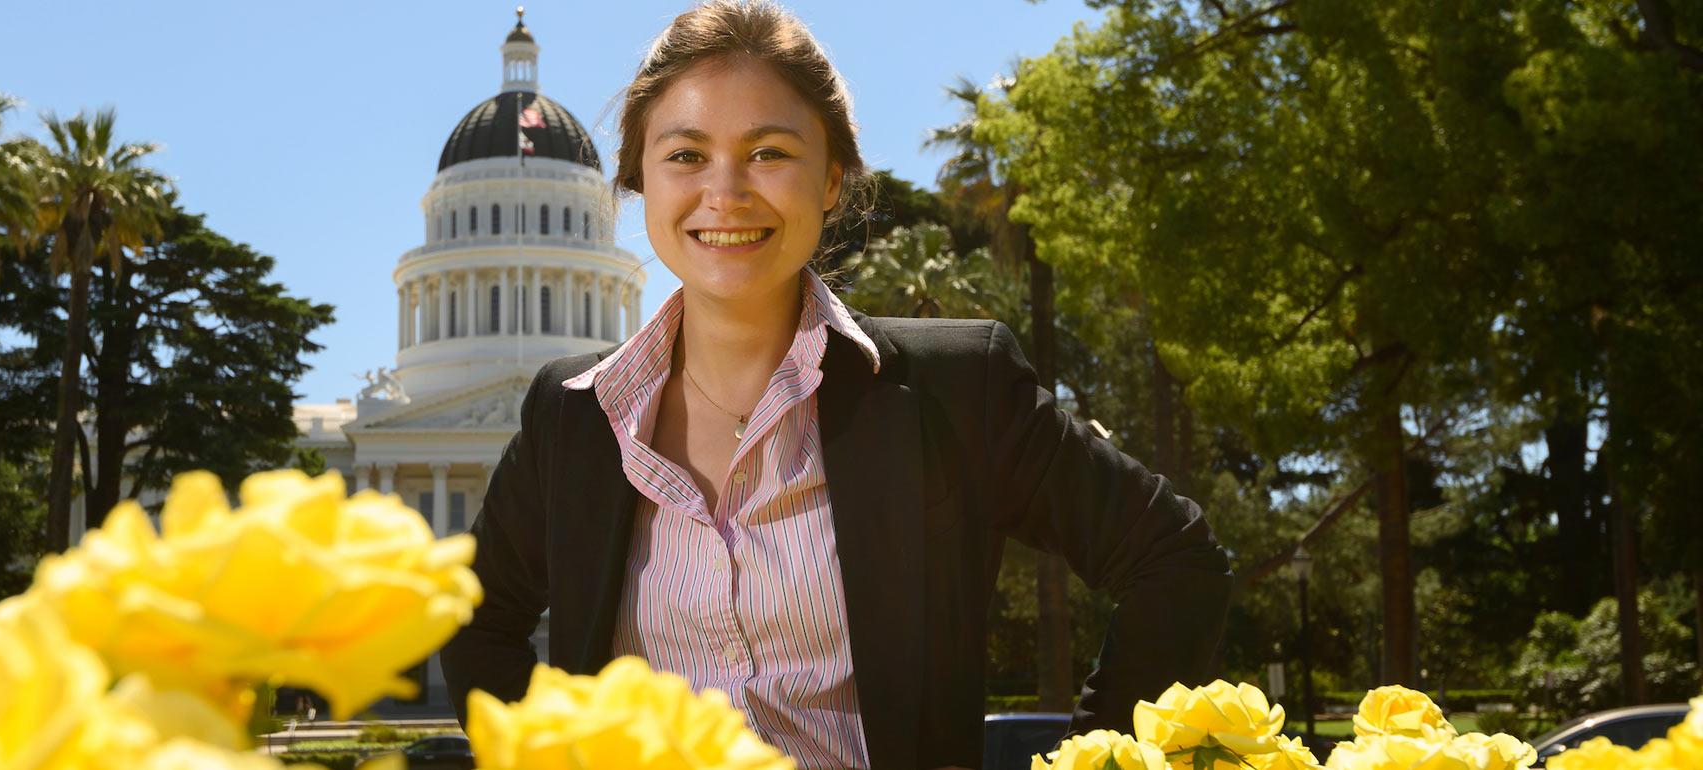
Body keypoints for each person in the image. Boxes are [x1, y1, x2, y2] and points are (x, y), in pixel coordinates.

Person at [440, 2, 1234, 768]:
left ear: (832, 179)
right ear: (640, 182)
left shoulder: (956, 391)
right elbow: (477, 626)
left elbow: (1175, 559)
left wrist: (1087, 765)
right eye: (685, 154)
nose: (726, 191)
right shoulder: (573, 415)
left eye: (770, 152)